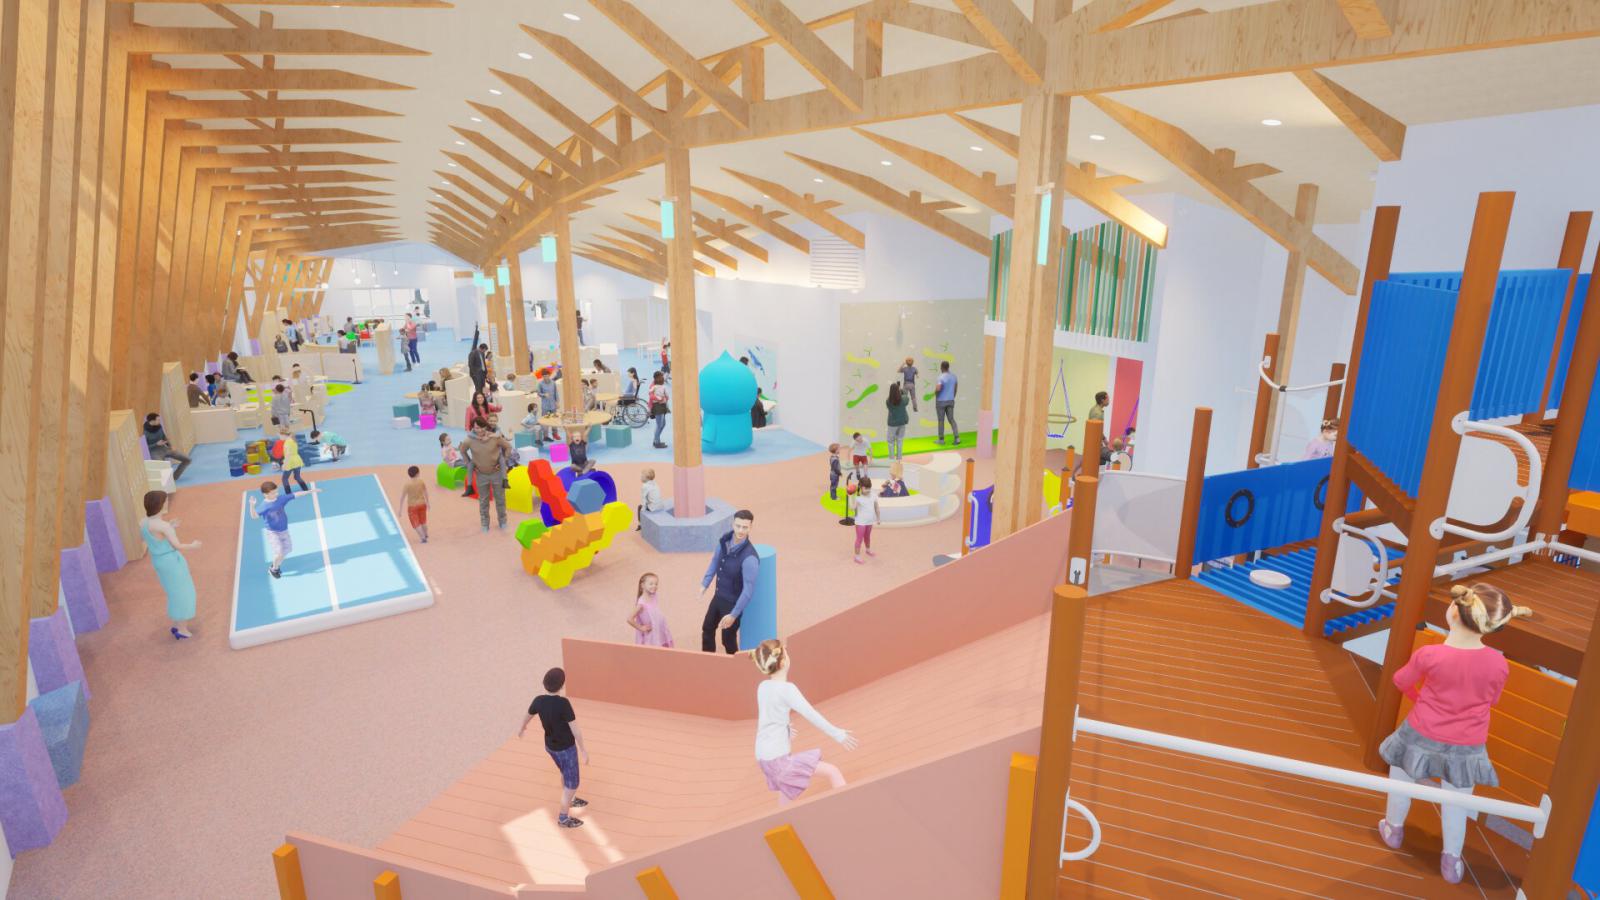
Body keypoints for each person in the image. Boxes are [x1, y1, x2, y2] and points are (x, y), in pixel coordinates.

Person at [1377, 584, 1532, 885]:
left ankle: (1393, 828)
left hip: (1420, 732)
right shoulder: (1498, 664)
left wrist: (1419, 698)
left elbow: (1400, 680)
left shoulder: (1430, 654)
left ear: (1454, 613)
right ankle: (1451, 859)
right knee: (1457, 805)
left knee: (1401, 784)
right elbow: (1492, 700)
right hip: (1468, 743)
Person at [751, 639, 857, 806]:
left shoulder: (763, 686)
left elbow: (770, 716)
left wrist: (785, 729)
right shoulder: (788, 689)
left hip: (764, 761)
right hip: (779, 761)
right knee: (832, 771)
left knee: (786, 792)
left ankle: (782, 818)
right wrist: (838, 734)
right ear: (784, 661)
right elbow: (811, 715)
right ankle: (849, 807)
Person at [520, 667, 590, 829]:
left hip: (550, 747)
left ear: (544, 683)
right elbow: (576, 730)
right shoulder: (563, 704)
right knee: (572, 785)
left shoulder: (538, 700)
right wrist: (583, 750)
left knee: (564, 772)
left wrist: (522, 727)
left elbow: (528, 715)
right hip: (566, 749)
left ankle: (571, 800)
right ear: (562, 685)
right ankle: (563, 819)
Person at [141, 490, 200, 640]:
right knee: (184, 593)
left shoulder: (143, 522)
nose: (166, 503)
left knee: (173, 592)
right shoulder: (163, 526)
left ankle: (177, 625)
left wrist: (170, 526)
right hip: (172, 562)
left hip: (158, 561)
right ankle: (182, 629)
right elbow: (177, 545)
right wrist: (193, 545)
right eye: (165, 501)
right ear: (160, 505)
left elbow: (153, 537)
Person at [700, 509, 759, 654]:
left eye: (745, 527)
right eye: (738, 526)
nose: (740, 530)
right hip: (718, 596)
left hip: (733, 603)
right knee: (707, 628)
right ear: (733, 524)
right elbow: (714, 562)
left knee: (728, 639)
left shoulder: (750, 558)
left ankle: (734, 664)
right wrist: (705, 583)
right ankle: (707, 659)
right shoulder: (724, 541)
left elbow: (748, 591)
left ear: (750, 527)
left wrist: (733, 614)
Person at [459, 417, 513, 531]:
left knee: (500, 500)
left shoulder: (495, 437)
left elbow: (508, 447)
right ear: (473, 428)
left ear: (485, 426)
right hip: (481, 475)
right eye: (476, 428)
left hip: (497, 474)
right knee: (483, 501)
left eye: (481, 427)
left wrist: (504, 460)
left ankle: (503, 521)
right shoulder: (468, 440)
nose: (479, 430)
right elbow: (462, 451)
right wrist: (470, 464)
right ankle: (485, 523)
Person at [249, 480, 296, 580]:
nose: (276, 494)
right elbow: (254, 516)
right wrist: (252, 505)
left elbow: (295, 495)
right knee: (279, 552)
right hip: (273, 532)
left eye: (276, 491)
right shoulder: (264, 506)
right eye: (273, 493)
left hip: (284, 530)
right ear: (265, 494)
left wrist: (310, 491)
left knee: (288, 550)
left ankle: (275, 565)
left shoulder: (280, 499)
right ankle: (274, 569)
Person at [627, 573, 674, 648]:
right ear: (642, 585)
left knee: (662, 647)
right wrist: (641, 628)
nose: (654, 586)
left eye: (656, 584)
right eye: (651, 584)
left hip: (658, 629)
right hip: (651, 634)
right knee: (654, 649)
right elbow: (629, 619)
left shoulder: (654, 596)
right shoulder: (641, 604)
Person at [143, 413, 191, 481]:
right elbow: (146, 447)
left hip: (164, 449)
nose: (160, 421)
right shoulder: (144, 432)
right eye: (158, 420)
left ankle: (174, 477)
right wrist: (156, 444)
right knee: (163, 467)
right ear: (152, 421)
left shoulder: (159, 426)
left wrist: (170, 446)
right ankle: (167, 481)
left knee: (187, 460)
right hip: (154, 452)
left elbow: (164, 436)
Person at [277, 427, 312, 496]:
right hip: (297, 460)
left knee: (284, 478)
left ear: (283, 435)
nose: (279, 437)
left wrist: (284, 464)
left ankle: (288, 494)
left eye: (280, 436)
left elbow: (288, 455)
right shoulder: (293, 440)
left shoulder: (287, 443)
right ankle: (305, 489)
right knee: (297, 477)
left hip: (290, 462)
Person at [399, 464, 430, 543]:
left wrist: (400, 509)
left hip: (412, 506)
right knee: (423, 521)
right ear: (417, 473)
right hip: (422, 504)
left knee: (416, 524)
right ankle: (426, 534)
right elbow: (425, 492)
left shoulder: (407, 484)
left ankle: (423, 538)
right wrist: (428, 503)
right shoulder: (421, 482)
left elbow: (402, 497)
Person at [852, 476, 879, 564]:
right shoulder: (858, 497)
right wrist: (850, 496)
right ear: (860, 487)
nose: (867, 490)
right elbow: (853, 508)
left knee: (867, 537)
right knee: (859, 538)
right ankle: (857, 556)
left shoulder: (873, 495)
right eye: (865, 488)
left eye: (869, 488)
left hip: (869, 522)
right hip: (860, 522)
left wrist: (878, 518)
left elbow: (876, 507)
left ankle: (868, 550)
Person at [935, 361, 959, 444]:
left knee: (941, 420)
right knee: (951, 419)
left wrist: (936, 394)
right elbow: (955, 388)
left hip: (941, 401)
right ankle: (957, 438)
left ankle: (941, 439)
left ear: (941, 367)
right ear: (948, 367)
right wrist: (952, 397)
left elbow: (938, 388)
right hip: (950, 400)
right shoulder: (954, 376)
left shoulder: (940, 377)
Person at [885, 382, 909, 460]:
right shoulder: (903, 399)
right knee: (900, 440)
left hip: (892, 424)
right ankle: (899, 458)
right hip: (902, 422)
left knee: (890, 442)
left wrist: (898, 391)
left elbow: (892, 399)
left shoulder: (888, 401)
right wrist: (901, 390)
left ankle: (891, 458)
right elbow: (906, 396)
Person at [648, 371, 670, 449]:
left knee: (662, 424)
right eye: (661, 376)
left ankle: (656, 440)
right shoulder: (653, 385)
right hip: (657, 406)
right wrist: (660, 399)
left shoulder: (660, 384)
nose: (663, 378)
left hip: (662, 406)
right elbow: (651, 396)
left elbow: (666, 396)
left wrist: (664, 399)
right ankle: (657, 442)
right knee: (659, 425)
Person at [536, 370, 559, 443]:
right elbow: (538, 393)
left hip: (553, 405)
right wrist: (544, 394)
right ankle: (545, 436)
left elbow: (556, 393)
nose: (545, 377)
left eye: (547, 376)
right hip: (545, 406)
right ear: (542, 376)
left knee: (554, 419)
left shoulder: (553, 383)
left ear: (549, 375)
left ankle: (555, 434)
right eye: (544, 376)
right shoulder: (540, 384)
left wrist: (557, 402)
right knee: (545, 421)